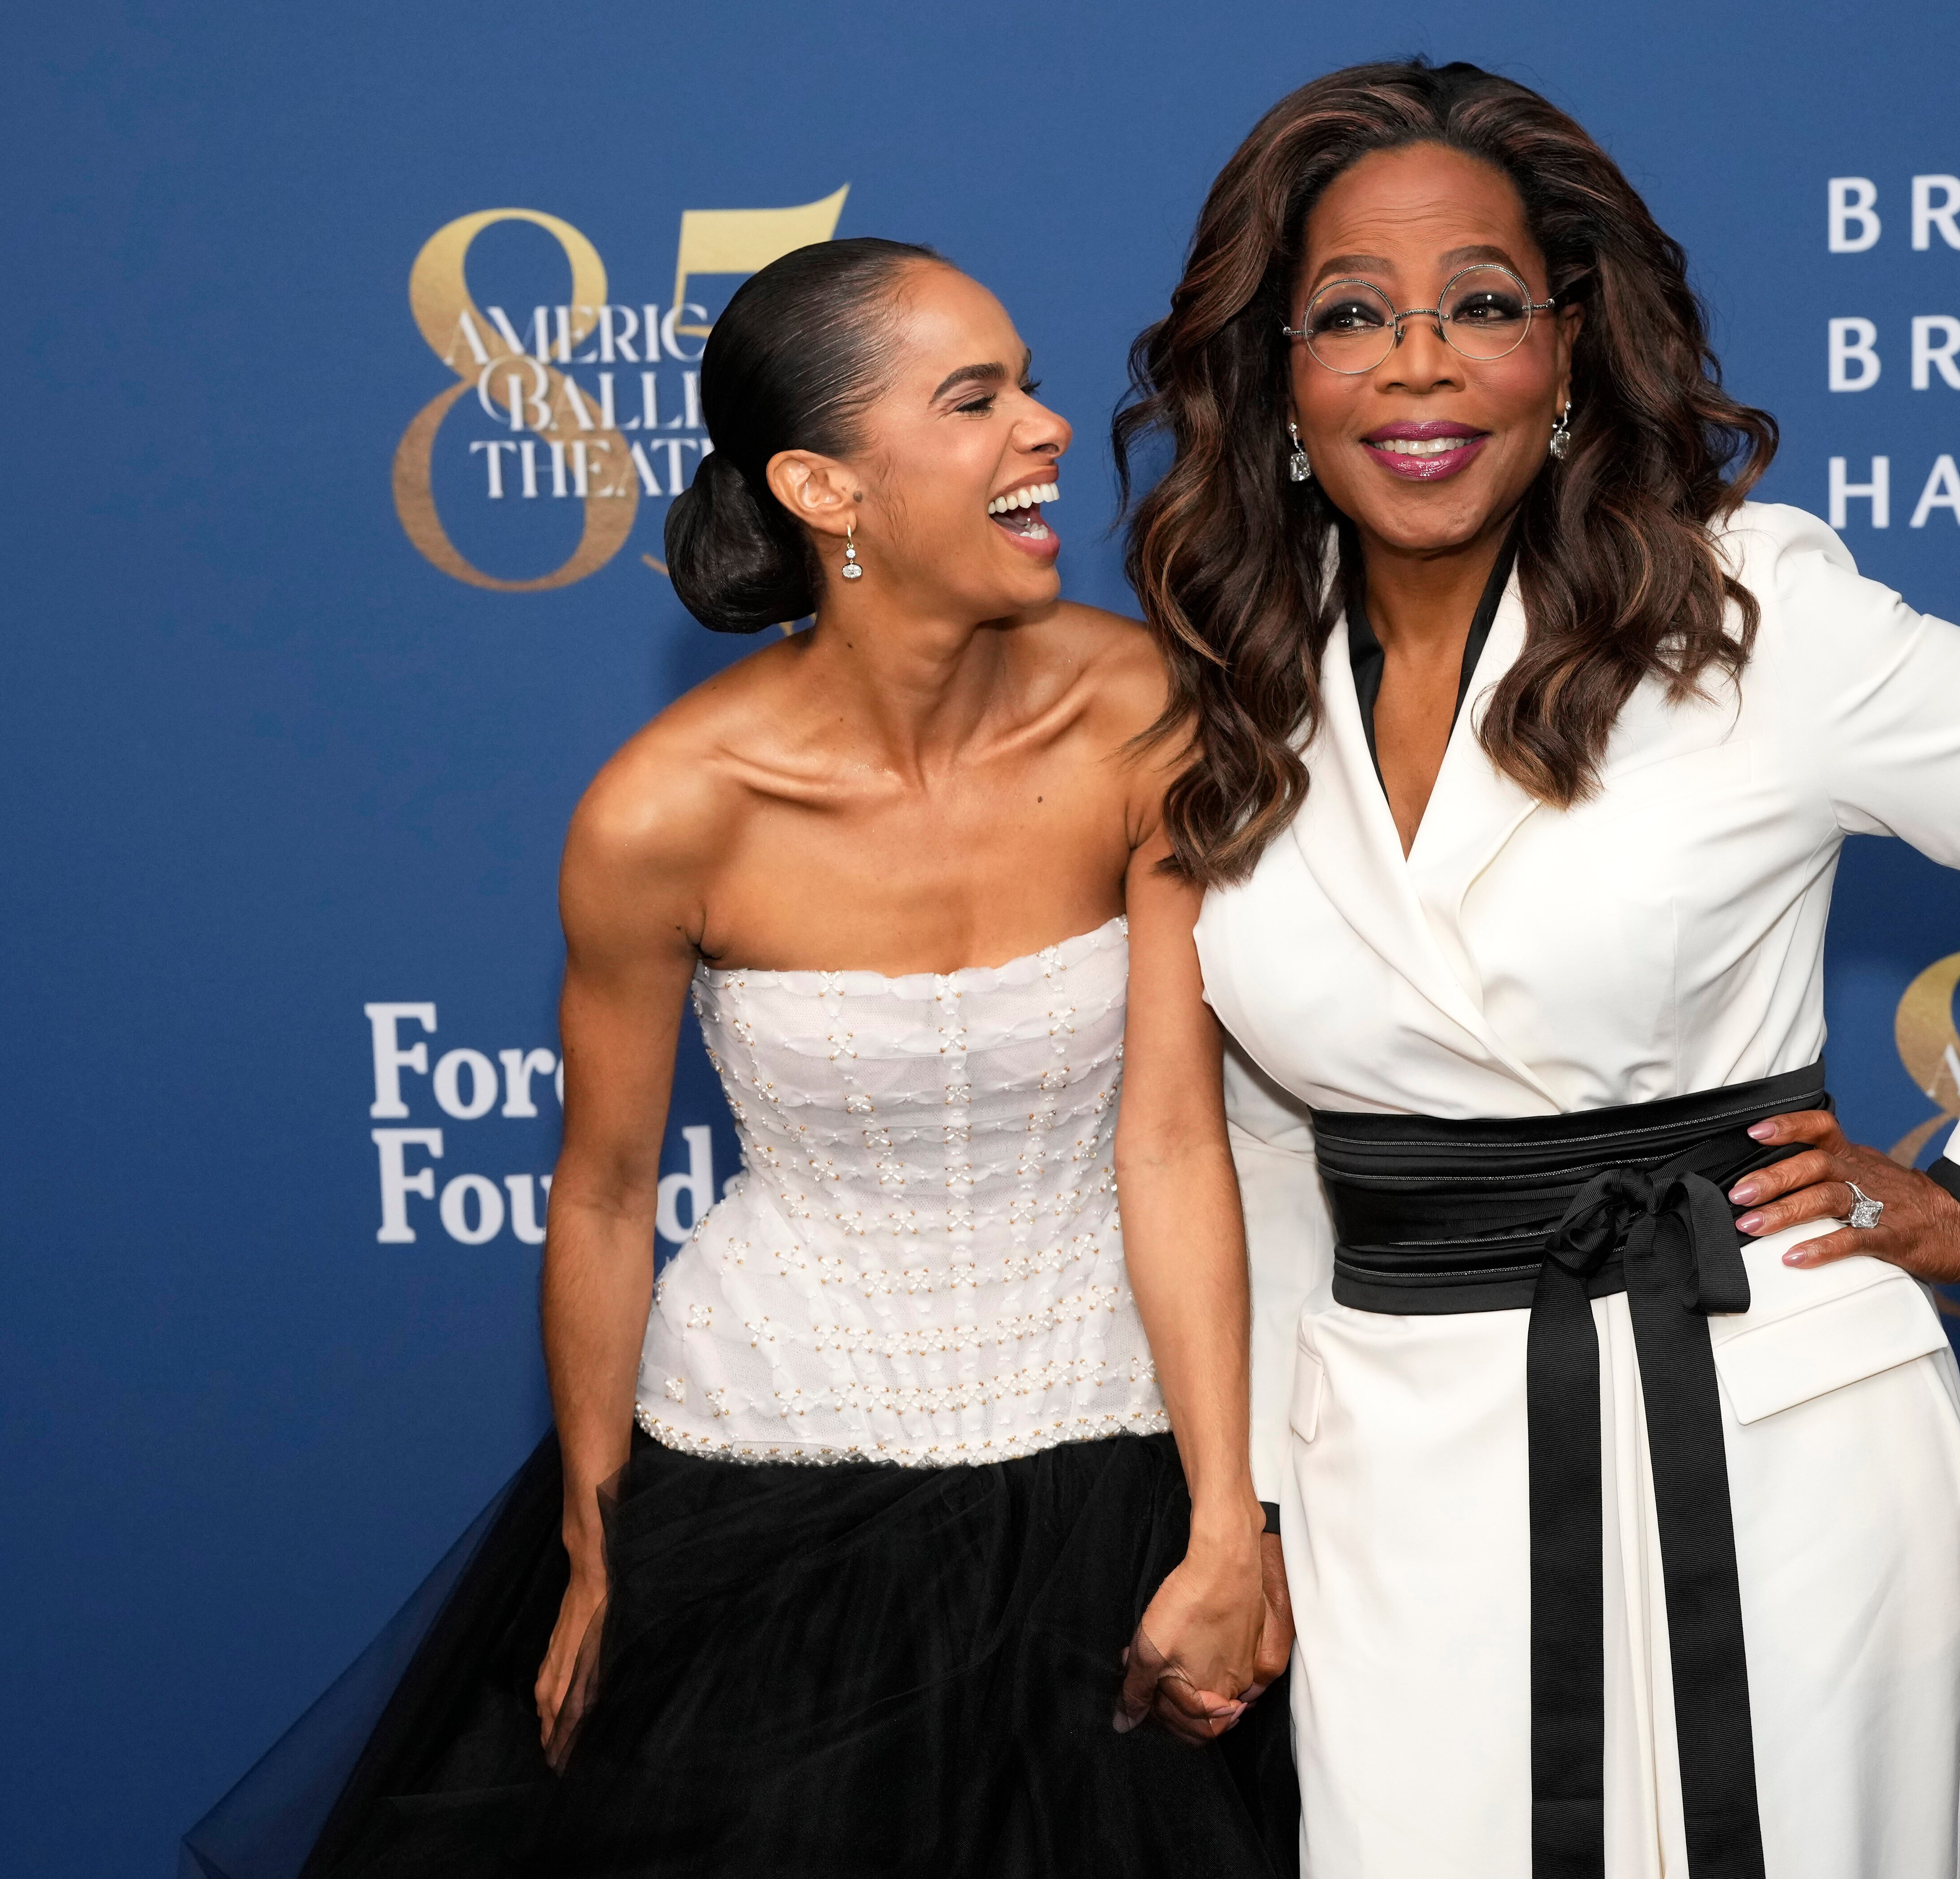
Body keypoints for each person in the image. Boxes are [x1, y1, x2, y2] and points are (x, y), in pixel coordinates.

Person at [1115, 60, 1960, 1879]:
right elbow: (1252, 1146)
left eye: (1480, 304)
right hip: (1388, 1468)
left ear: (1565, 353)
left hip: (1770, 1417)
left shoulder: (1742, 615)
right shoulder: (1228, 693)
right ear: (1272, 375)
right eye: (1348, 316)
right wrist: (1237, 1510)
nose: (1417, 362)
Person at [200, 238, 1292, 1879]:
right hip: (770, 1489)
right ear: (821, 485)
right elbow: (605, 1191)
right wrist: (590, 1530)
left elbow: (1172, 1141)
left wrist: (1229, 1521)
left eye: (1030, 382)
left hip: (1121, 1456)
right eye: (978, 397)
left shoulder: (1142, 704)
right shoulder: (665, 810)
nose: (1052, 428)